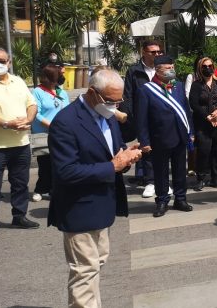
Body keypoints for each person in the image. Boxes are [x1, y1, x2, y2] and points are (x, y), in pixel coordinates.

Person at [47, 68, 142, 308]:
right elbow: (65, 172)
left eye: (118, 101)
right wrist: (112, 166)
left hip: (102, 206)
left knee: (95, 265)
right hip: (78, 209)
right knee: (84, 272)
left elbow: (115, 149)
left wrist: (127, 156)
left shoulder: (107, 115)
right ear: (92, 93)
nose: (115, 106)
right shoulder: (65, 122)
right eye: (111, 101)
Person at [135, 55, 194, 217]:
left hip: (180, 136)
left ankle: (180, 198)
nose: (171, 70)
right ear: (157, 70)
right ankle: (162, 200)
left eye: (172, 67)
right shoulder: (146, 90)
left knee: (180, 170)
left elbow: (186, 111)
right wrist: (144, 141)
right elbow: (141, 119)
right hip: (159, 139)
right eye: (167, 68)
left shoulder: (179, 86)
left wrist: (191, 132)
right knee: (160, 172)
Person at [0, 47, 39, 238]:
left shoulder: (18, 81)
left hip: (20, 144)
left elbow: (32, 104)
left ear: (9, 62)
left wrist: (28, 120)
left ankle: (19, 215)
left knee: (20, 183)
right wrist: (6, 123)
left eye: (2, 61)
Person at [122, 40, 163, 197]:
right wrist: (132, 117)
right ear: (144, 53)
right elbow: (128, 95)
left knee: (163, 148)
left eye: (159, 52)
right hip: (142, 117)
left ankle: (163, 181)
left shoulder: (163, 69)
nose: (157, 55)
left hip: (161, 116)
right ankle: (150, 181)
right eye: (153, 52)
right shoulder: (134, 71)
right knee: (147, 148)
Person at [31, 60, 70, 202]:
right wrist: (51, 125)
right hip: (44, 133)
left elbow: (68, 111)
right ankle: (40, 189)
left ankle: (55, 189)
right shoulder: (37, 91)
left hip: (61, 134)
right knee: (45, 164)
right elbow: (36, 113)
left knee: (59, 163)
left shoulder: (62, 92)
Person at [189, 57, 217, 191]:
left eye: (210, 66)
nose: (208, 68)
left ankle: (216, 178)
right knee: (203, 151)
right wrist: (207, 116)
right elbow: (193, 103)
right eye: (204, 66)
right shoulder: (196, 85)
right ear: (200, 69)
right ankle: (201, 178)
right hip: (203, 123)